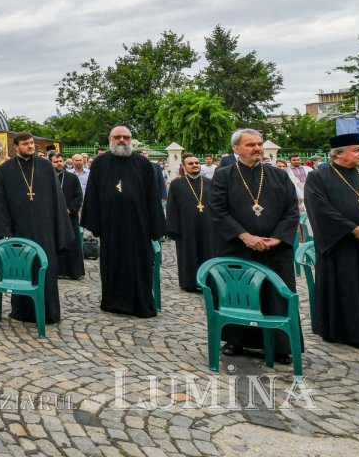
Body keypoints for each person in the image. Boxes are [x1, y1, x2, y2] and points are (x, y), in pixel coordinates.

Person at [208, 129, 300, 361]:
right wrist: (245, 236)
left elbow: (291, 210)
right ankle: (237, 340)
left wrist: (278, 238)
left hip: (274, 249)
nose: (257, 148)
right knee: (239, 296)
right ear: (236, 149)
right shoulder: (224, 175)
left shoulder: (278, 175)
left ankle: (281, 346)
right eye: (251, 145)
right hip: (239, 248)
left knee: (276, 296)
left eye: (259, 144)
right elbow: (218, 210)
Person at [304, 133, 359, 348]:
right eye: (357, 150)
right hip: (342, 247)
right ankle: (347, 332)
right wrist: (353, 229)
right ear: (338, 154)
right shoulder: (319, 178)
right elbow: (320, 211)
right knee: (347, 289)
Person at [81, 127, 166, 318]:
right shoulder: (100, 163)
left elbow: (152, 196)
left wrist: (155, 227)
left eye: (125, 137)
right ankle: (112, 302)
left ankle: (140, 303)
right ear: (110, 139)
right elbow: (92, 194)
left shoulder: (143, 163)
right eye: (117, 137)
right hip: (110, 225)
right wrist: (94, 224)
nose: (121, 140)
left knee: (138, 265)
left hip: (138, 226)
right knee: (112, 264)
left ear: (131, 140)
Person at [0, 133, 74, 323]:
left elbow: (57, 198)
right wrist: (5, 232)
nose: (30, 146)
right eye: (25, 144)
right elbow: (1, 203)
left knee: (45, 271)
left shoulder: (46, 166)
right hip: (19, 230)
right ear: (16, 147)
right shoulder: (5, 169)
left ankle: (49, 312)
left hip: (45, 228)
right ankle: (22, 312)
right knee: (23, 272)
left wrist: (60, 228)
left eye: (31, 143)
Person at [165, 153, 216, 292]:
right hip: (186, 228)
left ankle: (208, 282)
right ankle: (189, 283)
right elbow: (171, 207)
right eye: (191, 163)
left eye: (197, 163)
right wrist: (173, 229)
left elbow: (217, 206)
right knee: (188, 254)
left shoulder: (210, 183)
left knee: (208, 253)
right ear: (184, 166)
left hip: (208, 227)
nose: (195, 165)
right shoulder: (176, 184)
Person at [51, 152, 85, 280]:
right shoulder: (47, 178)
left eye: (61, 161)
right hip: (53, 218)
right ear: (51, 163)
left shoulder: (72, 178)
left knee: (72, 243)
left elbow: (78, 196)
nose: (60, 163)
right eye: (56, 162)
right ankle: (58, 271)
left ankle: (74, 271)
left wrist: (69, 209)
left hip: (70, 217)